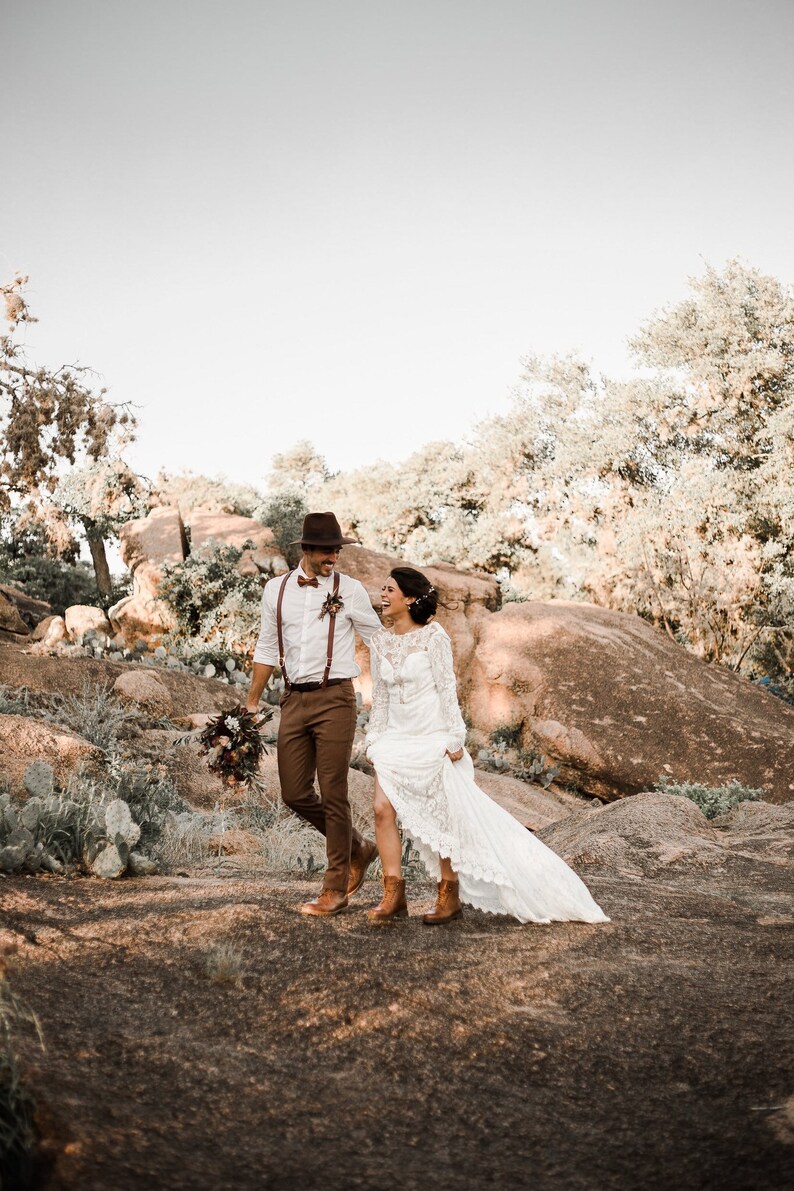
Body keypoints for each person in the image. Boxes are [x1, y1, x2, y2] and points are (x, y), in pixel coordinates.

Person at [364, 566, 610, 926]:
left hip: (430, 737)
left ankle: (448, 895)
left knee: (441, 816)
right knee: (382, 809)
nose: (382, 595)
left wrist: (454, 737)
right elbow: (381, 699)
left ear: (411, 598)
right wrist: (374, 738)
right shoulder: (380, 641)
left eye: (389, 589)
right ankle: (393, 895)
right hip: (394, 739)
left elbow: (447, 691)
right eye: (382, 589)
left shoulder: (434, 637)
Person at [246, 512, 382, 917]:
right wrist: (252, 702)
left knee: (334, 791)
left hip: (336, 698)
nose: (333, 558)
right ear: (306, 550)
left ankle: (334, 888)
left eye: (337, 551)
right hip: (293, 700)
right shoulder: (277, 590)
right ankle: (358, 847)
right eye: (326, 551)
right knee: (294, 793)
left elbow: (377, 639)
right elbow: (267, 648)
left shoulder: (350, 590)